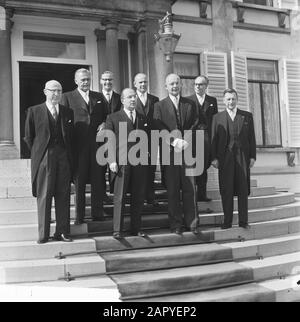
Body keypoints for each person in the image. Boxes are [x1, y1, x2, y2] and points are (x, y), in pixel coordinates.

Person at [24, 80, 74, 244]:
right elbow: (29, 137)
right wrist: (41, 153)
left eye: (59, 91)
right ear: (45, 91)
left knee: (63, 195)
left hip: (63, 158)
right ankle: (43, 234)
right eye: (53, 91)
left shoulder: (68, 112)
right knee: (44, 196)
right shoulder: (34, 111)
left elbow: (70, 137)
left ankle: (62, 232)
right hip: (45, 158)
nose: (56, 94)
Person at [153, 74, 198, 234]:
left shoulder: (190, 104)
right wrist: (173, 141)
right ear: (166, 86)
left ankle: (192, 223)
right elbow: (158, 125)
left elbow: (195, 123)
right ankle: (176, 225)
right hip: (170, 152)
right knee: (172, 190)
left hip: (187, 151)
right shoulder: (159, 106)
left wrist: (186, 140)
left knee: (190, 189)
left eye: (177, 83)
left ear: (181, 85)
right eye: (171, 84)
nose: (174, 86)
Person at [61, 68, 107, 224]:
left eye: (88, 79)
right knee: (79, 183)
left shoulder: (99, 97)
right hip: (78, 147)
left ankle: (98, 213)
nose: (86, 82)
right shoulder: (67, 97)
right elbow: (63, 121)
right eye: (83, 80)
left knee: (97, 180)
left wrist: (104, 123)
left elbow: (107, 116)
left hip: (97, 146)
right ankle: (79, 217)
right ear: (76, 81)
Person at [105, 88, 148, 239]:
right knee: (120, 197)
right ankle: (117, 230)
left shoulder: (142, 118)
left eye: (134, 97)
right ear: (122, 100)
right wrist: (111, 160)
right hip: (121, 162)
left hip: (139, 163)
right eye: (129, 97)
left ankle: (136, 228)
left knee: (138, 197)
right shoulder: (113, 117)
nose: (133, 99)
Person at [211, 88, 256, 229]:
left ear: (237, 100)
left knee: (243, 190)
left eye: (233, 99)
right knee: (227, 190)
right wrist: (214, 158)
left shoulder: (246, 116)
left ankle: (243, 222)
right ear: (224, 101)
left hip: (242, 157)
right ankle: (227, 221)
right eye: (228, 99)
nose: (231, 102)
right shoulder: (217, 118)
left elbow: (252, 138)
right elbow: (213, 139)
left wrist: (253, 156)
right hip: (225, 158)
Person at [186, 75, 218, 202]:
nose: (197, 87)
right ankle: (191, 195)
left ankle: (202, 194)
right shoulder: (188, 100)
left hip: (206, 139)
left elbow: (215, 120)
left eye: (200, 84)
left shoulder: (212, 100)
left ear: (206, 86)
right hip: (192, 139)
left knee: (204, 167)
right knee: (192, 167)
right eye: (195, 84)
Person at [133, 73, 159, 206]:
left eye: (145, 82)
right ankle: (139, 196)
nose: (143, 85)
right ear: (135, 84)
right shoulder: (131, 98)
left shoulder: (155, 99)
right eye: (140, 82)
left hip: (152, 138)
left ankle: (150, 196)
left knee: (151, 169)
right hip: (137, 139)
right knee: (139, 169)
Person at [99, 71, 122, 202]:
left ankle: (115, 191)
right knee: (102, 165)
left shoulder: (119, 98)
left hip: (116, 137)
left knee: (115, 163)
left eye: (110, 80)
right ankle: (103, 194)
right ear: (101, 81)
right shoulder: (96, 97)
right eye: (105, 80)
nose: (107, 82)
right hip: (101, 138)